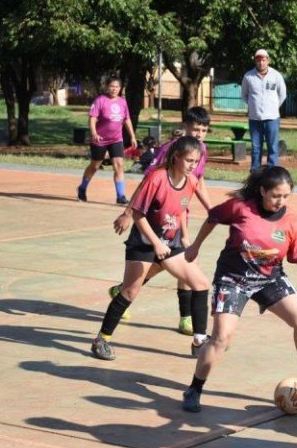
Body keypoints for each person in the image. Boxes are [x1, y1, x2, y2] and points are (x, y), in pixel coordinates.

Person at [181, 167, 297, 412]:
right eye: (275, 196)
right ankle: (194, 389)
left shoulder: (292, 220)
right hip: (233, 279)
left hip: (270, 279)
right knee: (221, 338)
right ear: (262, 191)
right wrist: (195, 246)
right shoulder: (240, 208)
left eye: (285, 196)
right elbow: (212, 217)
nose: (280, 201)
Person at [90, 136, 210, 361]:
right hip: (145, 242)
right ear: (176, 157)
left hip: (170, 243)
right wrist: (156, 242)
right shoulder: (157, 178)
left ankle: (199, 341)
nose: (193, 165)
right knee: (129, 292)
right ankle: (101, 339)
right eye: (189, 160)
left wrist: (184, 236)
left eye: (196, 161)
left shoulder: (191, 181)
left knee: (201, 284)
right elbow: (137, 213)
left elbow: (182, 209)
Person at [111, 107, 213, 336]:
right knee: (163, 265)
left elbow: (199, 181)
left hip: (177, 216)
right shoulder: (172, 150)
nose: (199, 134)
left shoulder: (200, 150)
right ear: (185, 126)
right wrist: (129, 212)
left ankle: (186, 318)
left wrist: (211, 209)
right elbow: (149, 181)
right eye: (195, 129)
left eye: (203, 130)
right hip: (154, 221)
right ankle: (123, 292)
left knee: (184, 265)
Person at [77, 77, 137, 205]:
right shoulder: (100, 100)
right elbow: (92, 118)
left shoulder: (122, 102)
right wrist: (94, 133)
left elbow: (126, 119)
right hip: (100, 139)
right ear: (107, 87)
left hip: (116, 139)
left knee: (119, 165)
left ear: (120, 88)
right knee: (95, 166)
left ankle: (120, 196)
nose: (114, 89)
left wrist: (132, 136)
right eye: (111, 86)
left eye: (116, 86)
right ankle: (82, 188)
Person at [241, 49, 287, 172]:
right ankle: (255, 174)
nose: (261, 63)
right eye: (258, 60)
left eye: (263, 60)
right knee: (256, 148)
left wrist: (274, 107)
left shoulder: (276, 75)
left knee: (272, 147)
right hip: (255, 119)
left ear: (268, 61)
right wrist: (253, 106)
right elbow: (244, 95)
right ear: (255, 61)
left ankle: (272, 174)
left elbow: (282, 95)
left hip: (272, 118)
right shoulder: (248, 76)